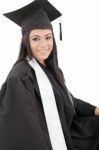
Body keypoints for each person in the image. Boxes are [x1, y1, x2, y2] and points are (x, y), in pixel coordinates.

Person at [0, 0, 99, 150]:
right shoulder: (20, 76)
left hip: (68, 132)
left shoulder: (52, 69)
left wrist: (94, 110)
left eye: (48, 37)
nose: (43, 45)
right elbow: (27, 127)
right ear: (24, 41)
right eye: (35, 39)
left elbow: (69, 100)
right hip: (47, 143)